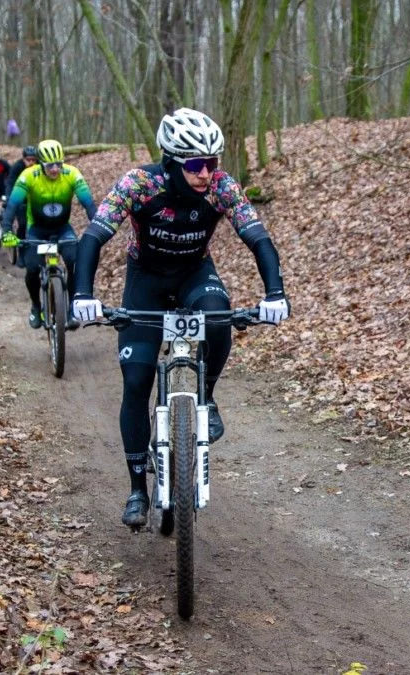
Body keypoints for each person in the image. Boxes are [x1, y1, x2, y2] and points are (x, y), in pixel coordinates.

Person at [69, 108, 290, 527]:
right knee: (136, 381)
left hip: (194, 274)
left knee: (219, 316)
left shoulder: (222, 188)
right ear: (171, 161)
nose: (206, 173)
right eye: (195, 164)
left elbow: (257, 237)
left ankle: (205, 393)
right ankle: (137, 487)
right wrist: (83, 294)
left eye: (212, 163)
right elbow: (95, 235)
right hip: (145, 280)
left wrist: (275, 293)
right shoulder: (140, 184)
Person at [0, 139, 95, 329]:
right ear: (40, 164)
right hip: (37, 230)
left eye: (58, 164)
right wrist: (7, 230)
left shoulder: (72, 174)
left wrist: (97, 225)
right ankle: (36, 306)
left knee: (74, 261)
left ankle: (70, 308)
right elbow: (12, 205)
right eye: (50, 165)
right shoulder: (29, 176)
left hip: (62, 228)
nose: (55, 169)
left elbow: (89, 203)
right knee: (33, 269)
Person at [5, 145, 40, 267]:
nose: (31, 163)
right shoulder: (17, 167)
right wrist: (10, 199)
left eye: (33, 160)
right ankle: (21, 253)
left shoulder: (41, 167)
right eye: (28, 160)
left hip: (36, 200)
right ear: (23, 159)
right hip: (21, 200)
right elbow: (10, 183)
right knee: (23, 224)